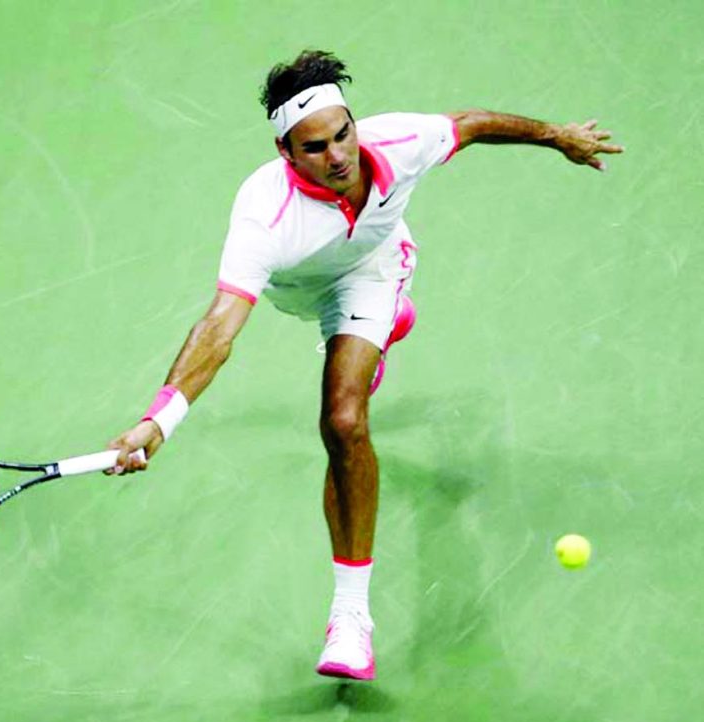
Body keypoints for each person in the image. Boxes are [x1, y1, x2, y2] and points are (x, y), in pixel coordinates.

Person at [105, 50, 623, 681]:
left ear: (355, 122)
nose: (339, 155)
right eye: (316, 147)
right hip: (301, 293)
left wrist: (557, 136)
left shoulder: (400, 140)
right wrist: (159, 420)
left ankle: (349, 620)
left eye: (343, 133)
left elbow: (473, 123)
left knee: (344, 421)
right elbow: (219, 326)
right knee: (343, 389)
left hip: (372, 271)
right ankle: (377, 338)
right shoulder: (263, 212)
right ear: (287, 155)